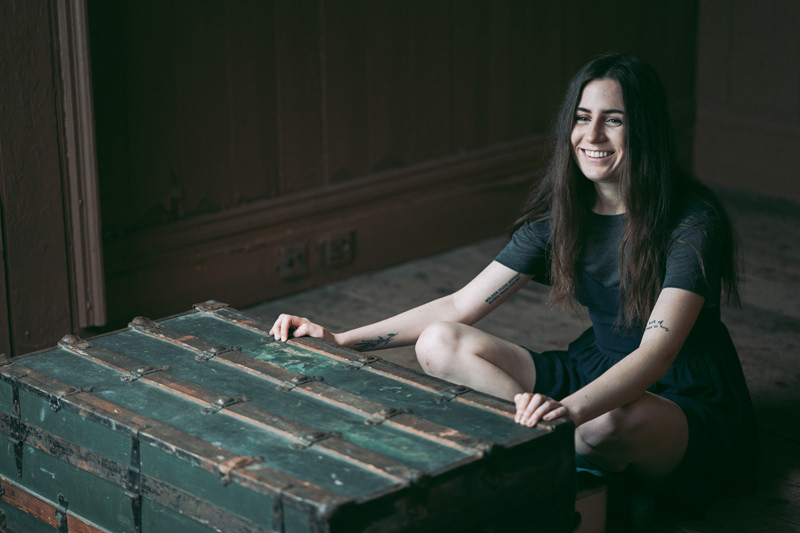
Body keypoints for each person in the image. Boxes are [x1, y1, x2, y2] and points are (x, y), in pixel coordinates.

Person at [270, 53, 757, 509]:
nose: (592, 135)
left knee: (604, 425)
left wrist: (568, 412)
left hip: (678, 393)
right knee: (439, 343)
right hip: (593, 369)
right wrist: (341, 340)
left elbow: (656, 355)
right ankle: (549, 452)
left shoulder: (692, 221)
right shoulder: (562, 218)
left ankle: (562, 454)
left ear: (645, 128)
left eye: (614, 120)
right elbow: (458, 307)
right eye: (582, 117)